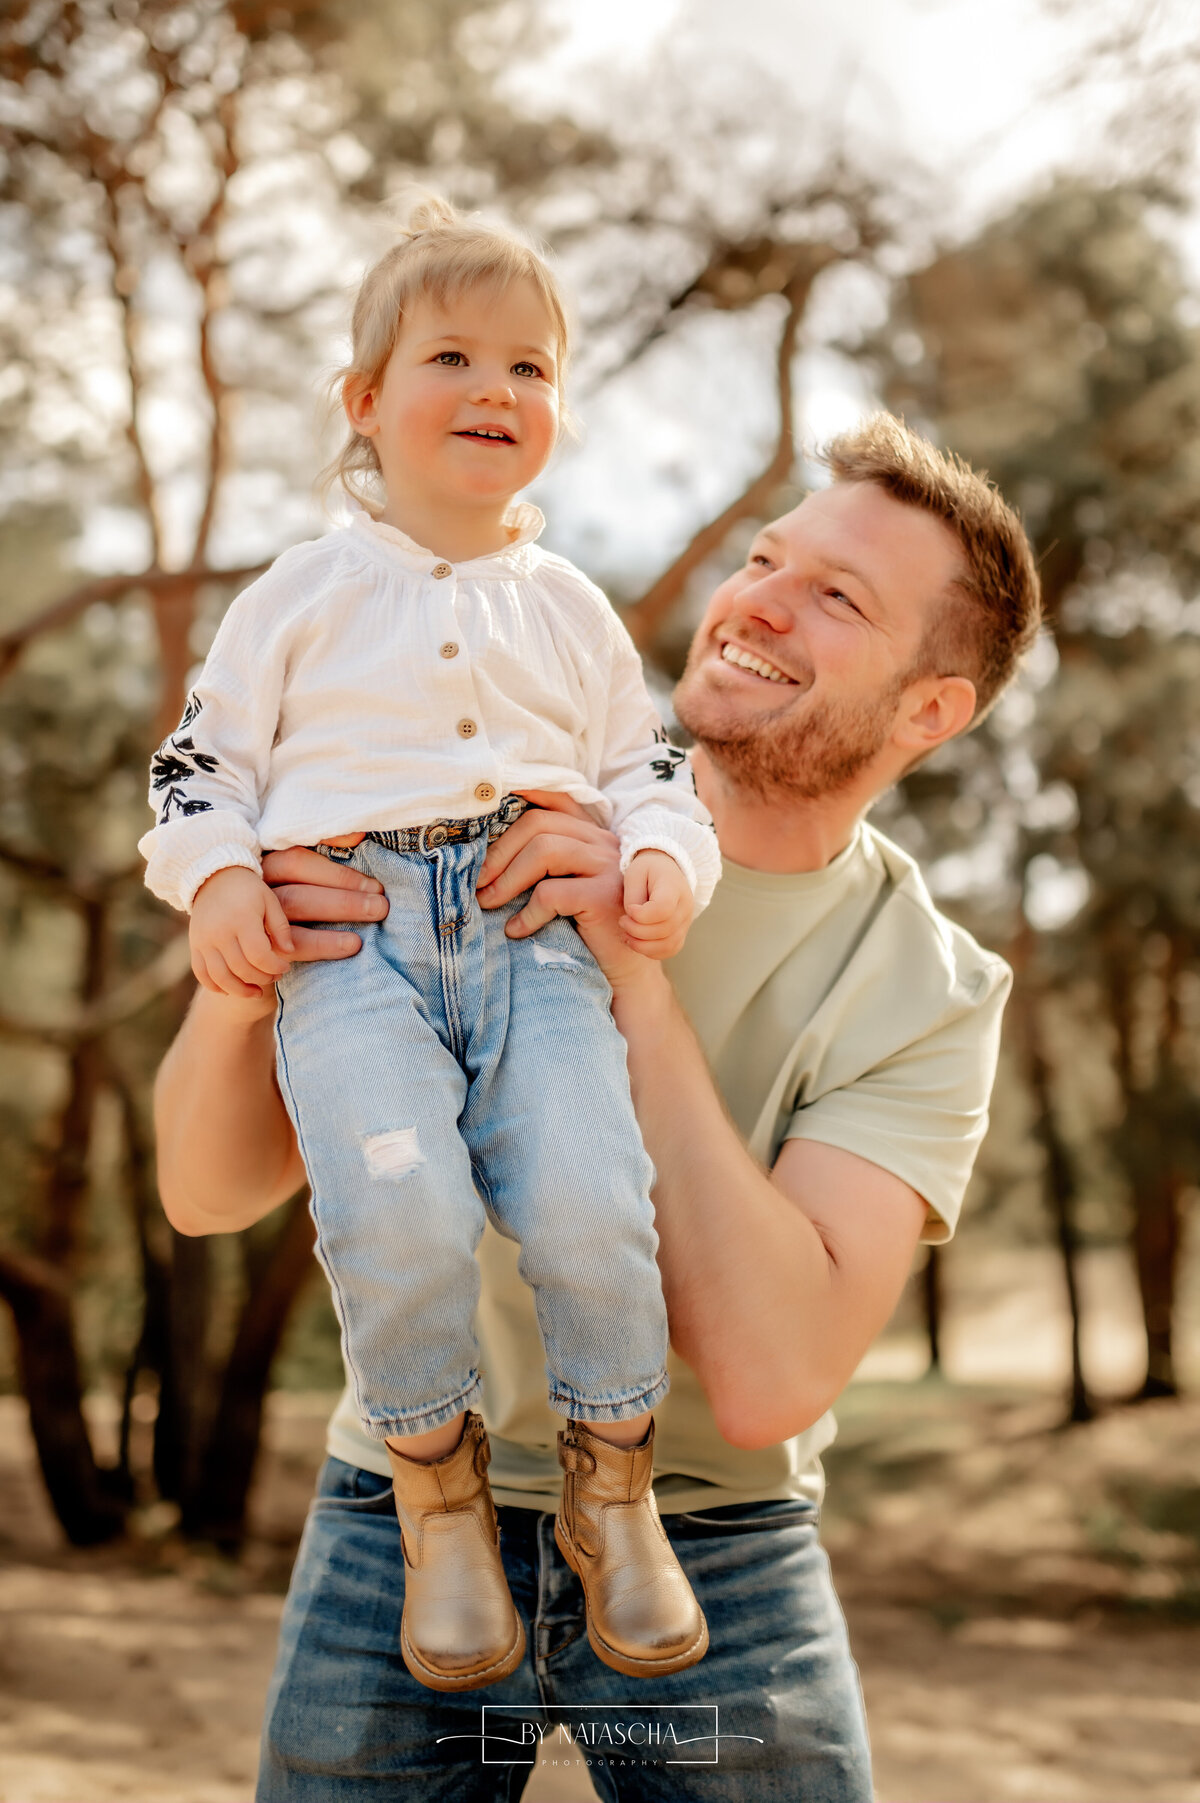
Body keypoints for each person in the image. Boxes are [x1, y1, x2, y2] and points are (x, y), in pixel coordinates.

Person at [154, 414, 1042, 1801]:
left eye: (836, 596)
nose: (756, 602)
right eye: (766, 558)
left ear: (930, 709)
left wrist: (632, 976)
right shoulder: (449, 814)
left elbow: (765, 1378)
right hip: (401, 1519)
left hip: (719, 1546)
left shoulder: (929, 990)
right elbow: (206, 1196)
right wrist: (246, 955)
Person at [139, 198, 720, 1693]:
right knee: (399, 1214)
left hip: (536, 945)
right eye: (452, 355)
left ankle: (614, 1482)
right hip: (355, 947)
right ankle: (437, 1491)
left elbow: (646, 772)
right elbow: (200, 772)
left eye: (531, 367)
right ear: (366, 403)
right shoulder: (300, 596)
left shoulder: (574, 610)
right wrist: (217, 885)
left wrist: (660, 858)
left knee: (597, 1202)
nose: (495, 390)